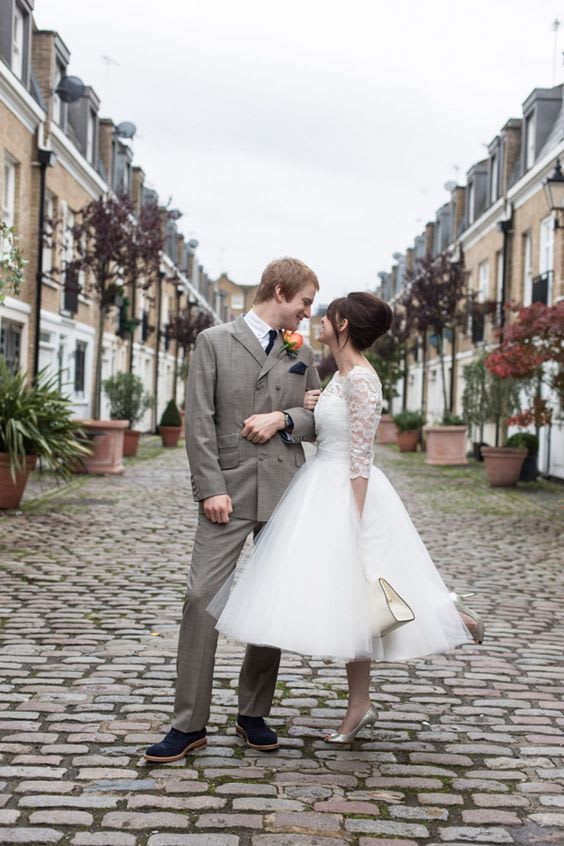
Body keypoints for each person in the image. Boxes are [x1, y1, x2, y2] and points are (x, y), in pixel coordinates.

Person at [213, 291, 484, 744]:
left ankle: (448, 616)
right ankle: (360, 706)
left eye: (328, 313)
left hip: (346, 491)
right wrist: (311, 405)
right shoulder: (339, 377)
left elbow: (361, 456)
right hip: (321, 482)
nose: (318, 318)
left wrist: (352, 521)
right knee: (352, 606)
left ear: (343, 325)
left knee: (367, 587)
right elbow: (325, 427)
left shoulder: (361, 380)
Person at [145, 257, 321, 763]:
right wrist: (209, 489)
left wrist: (284, 417)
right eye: (305, 301)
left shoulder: (302, 350)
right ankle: (188, 724)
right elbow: (199, 419)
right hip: (228, 490)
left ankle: (253, 713)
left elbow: (317, 416)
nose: (308, 313)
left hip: (285, 490)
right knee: (201, 598)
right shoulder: (214, 341)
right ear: (280, 290)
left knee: (272, 601)